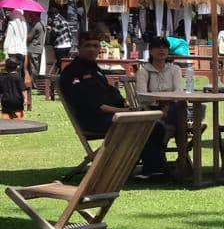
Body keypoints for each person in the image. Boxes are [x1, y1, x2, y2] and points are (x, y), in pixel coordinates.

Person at [61, 31, 169, 178]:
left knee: (155, 123)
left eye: (95, 46)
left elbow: (110, 93)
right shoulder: (73, 72)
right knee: (151, 125)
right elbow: (95, 106)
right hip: (95, 120)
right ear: (79, 48)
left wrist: (126, 107)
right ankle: (153, 169)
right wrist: (125, 111)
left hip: (111, 115)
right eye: (87, 46)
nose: (92, 49)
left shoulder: (94, 69)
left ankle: (154, 168)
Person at [4, 9, 26, 86]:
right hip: (21, 51)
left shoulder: (12, 24)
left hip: (12, 51)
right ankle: (19, 87)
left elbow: (8, 38)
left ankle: (11, 87)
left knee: (11, 70)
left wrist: (5, 50)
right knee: (19, 71)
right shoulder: (24, 24)